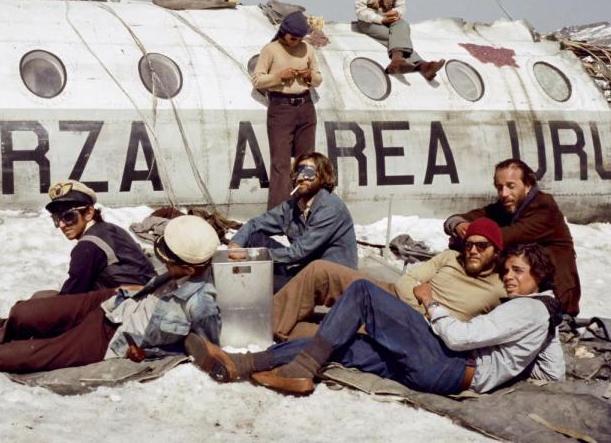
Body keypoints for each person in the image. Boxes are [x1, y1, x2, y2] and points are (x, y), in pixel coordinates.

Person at [186, 243, 564, 396]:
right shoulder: (544, 315)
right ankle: (244, 363)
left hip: (450, 360)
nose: (509, 277)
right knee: (347, 345)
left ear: (540, 278)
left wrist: (432, 304)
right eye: (509, 270)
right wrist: (513, 369)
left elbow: (461, 338)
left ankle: (301, 368)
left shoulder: (526, 308)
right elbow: (554, 373)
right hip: (443, 375)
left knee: (365, 294)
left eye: (518, 271)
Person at [0, 215, 221, 374]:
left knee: (19, 359)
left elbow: (199, 346)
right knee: (26, 311)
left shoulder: (202, 302)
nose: (161, 258)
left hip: (112, 337)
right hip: (113, 301)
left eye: (168, 258)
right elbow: (157, 291)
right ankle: (3, 332)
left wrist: (148, 354)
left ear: (189, 267)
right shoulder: (183, 271)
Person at [272, 217, 507, 341]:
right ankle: (265, 329)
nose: (473, 250)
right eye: (470, 244)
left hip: (412, 327)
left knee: (331, 333)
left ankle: (281, 333)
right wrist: (421, 305)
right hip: (393, 294)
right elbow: (407, 281)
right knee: (320, 270)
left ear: (496, 251)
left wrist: (426, 308)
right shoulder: (450, 257)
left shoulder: (500, 288)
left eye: (482, 245)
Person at [0, 179, 157, 331]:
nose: (62, 225)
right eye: (57, 219)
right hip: (139, 300)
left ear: (89, 212)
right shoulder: (109, 229)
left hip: (123, 309)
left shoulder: (88, 246)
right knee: (41, 296)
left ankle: (5, 328)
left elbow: (70, 298)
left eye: (68, 216)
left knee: (37, 307)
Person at [443, 159, 582, 316]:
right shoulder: (507, 206)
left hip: (554, 299)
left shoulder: (545, 209)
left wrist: (467, 239)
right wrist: (458, 225)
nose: (504, 194)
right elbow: (462, 218)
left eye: (511, 186)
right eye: (499, 187)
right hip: (522, 289)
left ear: (528, 186)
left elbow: (504, 237)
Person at [229, 152, 357, 292]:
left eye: (308, 172)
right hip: (304, 267)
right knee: (254, 238)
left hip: (330, 279)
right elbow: (255, 224)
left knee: (262, 284)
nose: (301, 178)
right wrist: (236, 244)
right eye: (298, 172)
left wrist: (252, 256)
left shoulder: (331, 207)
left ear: (323, 175)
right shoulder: (292, 206)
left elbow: (299, 252)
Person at [252, 10, 324, 210]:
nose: (295, 42)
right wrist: (279, 77)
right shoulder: (271, 50)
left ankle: (305, 209)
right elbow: (257, 79)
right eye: (293, 37)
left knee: (306, 163)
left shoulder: (307, 49)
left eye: (300, 38)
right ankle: (278, 213)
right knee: (281, 165)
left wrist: (309, 76)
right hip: (281, 108)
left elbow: (318, 78)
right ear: (284, 32)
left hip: (305, 107)